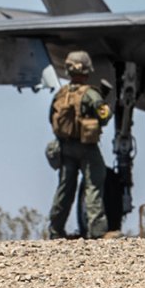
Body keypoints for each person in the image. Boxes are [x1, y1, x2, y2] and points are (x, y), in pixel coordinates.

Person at [48, 50, 113, 240]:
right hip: (87, 148)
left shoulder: (61, 94)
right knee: (93, 186)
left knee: (65, 189)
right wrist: (105, 105)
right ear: (86, 70)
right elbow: (104, 116)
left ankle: (56, 230)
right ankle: (97, 231)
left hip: (65, 147)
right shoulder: (91, 94)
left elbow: (51, 117)